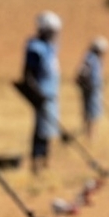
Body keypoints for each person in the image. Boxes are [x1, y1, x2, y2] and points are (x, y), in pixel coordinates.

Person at [20, 11, 62, 174]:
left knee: (49, 131)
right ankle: (36, 164)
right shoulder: (35, 48)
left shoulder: (50, 47)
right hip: (42, 95)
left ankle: (45, 162)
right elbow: (27, 74)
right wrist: (37, 95)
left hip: (51, 95)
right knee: (41, 131)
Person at [76, 35, 109, 140]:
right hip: (91, 91)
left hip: (94, 90)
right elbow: (82, 74)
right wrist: (89, 86)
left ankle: (90, 134)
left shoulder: (95, 59)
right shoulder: (91, 59)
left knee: (93, 112)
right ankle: (90, 135)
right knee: (92, 113)